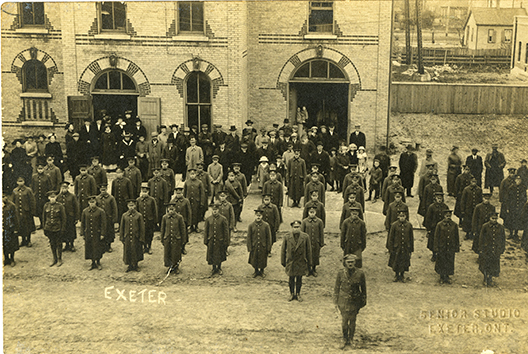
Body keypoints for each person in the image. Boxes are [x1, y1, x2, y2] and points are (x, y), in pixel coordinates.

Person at [333, 254, 367, 348]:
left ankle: (351, 339)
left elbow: (363, 288)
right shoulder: (340, 273)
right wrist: (335, 301)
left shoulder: (360, 273)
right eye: (348, 262)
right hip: (343, 300)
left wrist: (363, 300)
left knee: (352, 321)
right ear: (345, 263)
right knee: (344, 321)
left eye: (352, 262)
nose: (350, 264)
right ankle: (344, 339)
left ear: (355, 262)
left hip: (355, 300)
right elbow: (336, 288)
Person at [281, 220, 312, 301]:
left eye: (298, 227)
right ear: (292, 228)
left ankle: (298, 293)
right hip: (291, 261)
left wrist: (309, 262)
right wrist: (283, 261)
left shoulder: (305, 237)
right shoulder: (287, 237)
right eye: (294, 227)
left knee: (299, 278)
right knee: (291, 278)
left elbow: (308, 250)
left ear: (300, 227)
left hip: (300, 261)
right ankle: (291, 294)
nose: (296, 229)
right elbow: (283, 250)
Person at [478, 212, 505, 287]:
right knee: (485, 264)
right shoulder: (485, 226)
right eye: (492, 218)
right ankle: (485, 278)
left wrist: (502, 248)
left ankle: (490, 278)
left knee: (494, 264)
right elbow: (481, 238)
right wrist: (480, 248)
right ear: (490, 218)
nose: (494, 220)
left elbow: (503, 239)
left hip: (496, 249)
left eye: (495, 218)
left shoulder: (501, 227)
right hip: (487, 249)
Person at [387, 209, 414, 282]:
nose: (402, 218)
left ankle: (402, 275)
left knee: (404, 260)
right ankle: (396, 275)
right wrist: (390, 248)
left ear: (406, 216)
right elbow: (391, 237)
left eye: (403, 216)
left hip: (406, 247)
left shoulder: (409, 225)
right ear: (398, 216)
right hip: (397, 247)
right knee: (396, 260)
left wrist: (411, 249)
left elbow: (411, 237)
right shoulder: (394, 225)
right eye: (400, 216)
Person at [80, 195, 106, 270]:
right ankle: (92, 262)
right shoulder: (85, 211)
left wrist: (102, 233)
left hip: (97, 233)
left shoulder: (100, 211)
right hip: (88, 233)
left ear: (96, 202)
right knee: (90, 247)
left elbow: (103, 224)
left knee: (97, 247)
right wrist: (82, 232)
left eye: (93, 202)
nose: (92, 204)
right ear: (88, 203)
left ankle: (98, 262)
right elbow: (83, 223)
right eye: (90, 202)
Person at [434, 209, 460, 284]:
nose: (448, 217)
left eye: (449, 216)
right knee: (442, 261)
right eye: (446, 216)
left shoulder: (454, 225)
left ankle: (447, 276)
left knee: (449, 261)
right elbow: (436, 237)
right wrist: (436, 247)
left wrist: (456, 247)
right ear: (444, 216)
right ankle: (442, 276)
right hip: (442, 247)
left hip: (450, 247)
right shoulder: (439, 225)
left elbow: (456, 237)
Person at [160, 202, 187, 274]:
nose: (171, 211)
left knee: (176, 253)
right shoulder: (164, 217)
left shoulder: (179, 217)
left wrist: (183, 240)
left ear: (175, 209)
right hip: (167, 238)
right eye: (170, 209)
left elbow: (183, 229)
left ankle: (176, 267)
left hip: (176, 239)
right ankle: (170, 267)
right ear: (167, 210)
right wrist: (162, 238)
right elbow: (162, 229)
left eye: (172, 209)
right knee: (168, 253)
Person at [42, 191, 67, 267]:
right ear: (48, 198)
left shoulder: (60, 206)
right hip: (49, 227)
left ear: (56, 198)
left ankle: (59, 259)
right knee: (52, 243)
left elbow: (64, 218)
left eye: (54, 197)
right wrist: (44, 228)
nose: (52, 199)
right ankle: (54, 258)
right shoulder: (46, 205)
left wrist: (63, 228)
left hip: (57, 228)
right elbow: (44, 217)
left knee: (59, 243)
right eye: (51, 197)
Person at [119, 199, 145, 272]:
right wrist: (121, 237)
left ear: (135, 206)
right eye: (130, 206)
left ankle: (135, 265)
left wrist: (141, 238)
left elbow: (142, 228)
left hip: (136, 237)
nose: (131, 207)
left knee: (136, 250)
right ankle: (130, 265)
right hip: (127, 236)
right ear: (127, 206)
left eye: (132, 206)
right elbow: (122, 227)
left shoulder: (139, 215)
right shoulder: (124, 215)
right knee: (128, 250)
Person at [204, 203, 229, 276]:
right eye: (213, 210)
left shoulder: (223, 219)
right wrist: (206, 240)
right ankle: (214, 268)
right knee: (212, 254)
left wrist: (226, 241)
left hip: (220, 240)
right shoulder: (208, 219)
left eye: (216, 210)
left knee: (219, 254)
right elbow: (206, 231)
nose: (215, 211)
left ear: (219, 210)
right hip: (211, 240)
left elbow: (226, 231)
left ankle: (219, 268)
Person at [247, 207, 272, 277]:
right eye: (257, 215)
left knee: (262, 259)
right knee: (254, 259)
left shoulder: (266, 225)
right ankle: (255, 271)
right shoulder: (251, 225)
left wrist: (268, 247)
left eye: (260, 215)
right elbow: (249, 237)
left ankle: (262, 271)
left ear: (262, 216)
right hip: (254, 245)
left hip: (263, 246)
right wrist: (249, 247)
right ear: (255, 216)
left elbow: (269, 237)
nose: (258, 217)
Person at [424, 192, 449, 262]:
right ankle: (434, 254)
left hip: (443, 227)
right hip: (434, 227)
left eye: (441, 198)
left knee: (442, 241)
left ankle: (440, 254)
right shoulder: (431, 207)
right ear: (435, 198)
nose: (439, 200)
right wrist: (428, 229)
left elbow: (448, 216)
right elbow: (428, 218)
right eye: (438, 198)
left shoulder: (445, 206)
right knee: (433, 241)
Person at [11, 176, 36, 247]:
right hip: (18, 212)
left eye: (21, 181)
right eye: (19, 181)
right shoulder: (15, 190)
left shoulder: (28, 190)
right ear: (17, 182)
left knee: (28, 226)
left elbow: (32, 201)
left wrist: (33, 211)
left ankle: (28, 240)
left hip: (27, 212)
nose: (20, 183)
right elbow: (12, 202)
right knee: (21, 227)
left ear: (24, 182)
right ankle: (23, 240)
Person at [56, 182, 80, 253]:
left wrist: (76, 218)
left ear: (68, 188)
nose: (64, 189)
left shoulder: (72, 196)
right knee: (64, 231)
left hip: (70, 217)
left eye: (65, 187)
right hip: (62, 218)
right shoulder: (58, 197)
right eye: (63, 187)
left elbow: (76, 207)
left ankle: (72, 245)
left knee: (71, 231)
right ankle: (66, 244)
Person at [301, 206, 325, 276]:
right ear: (308, 213)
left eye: (313, 212)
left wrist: (321, 242)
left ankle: (314, 269)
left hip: (316, 242)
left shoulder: (319, 221)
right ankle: (308, 269)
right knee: (307, 255)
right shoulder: (304, 221)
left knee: (315, 255)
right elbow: (302, 233)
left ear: (315, 212)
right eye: (310, 212)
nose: (312, 214)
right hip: (307, 242)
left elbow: (321, 233)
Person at [95, 184, 118, 253]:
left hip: (108, 218)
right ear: (100, 190)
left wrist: (114, 219)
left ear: (106, 189)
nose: (103, 191)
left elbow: (114, 209)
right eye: (101, 190)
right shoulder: (97, 198)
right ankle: (102, 245)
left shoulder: (111, 198)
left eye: (104, 190)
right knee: (101, 231)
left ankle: (109, 246)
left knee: (109, 232)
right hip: (100, 219)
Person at [137, 183, 158, 254]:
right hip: (141, 221)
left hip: (150, 220)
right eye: (143, 192)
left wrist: (155, 221)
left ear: (148, 192)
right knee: (142, 234)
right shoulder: (138, 200)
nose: (144, 193)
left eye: (145, 192)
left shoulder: (152, 200)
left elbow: (155, 211)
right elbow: (137, 211)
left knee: (149, 234)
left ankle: (149, 247)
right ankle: (144, 247)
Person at [504, 175, 527, 240]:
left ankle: (516, 234)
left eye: (520, 179)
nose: (518, 180)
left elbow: (525, 198)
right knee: (511, 220)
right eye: (517, 179)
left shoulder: (523, 188)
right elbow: (507, 199)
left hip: (520, 207)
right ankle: (511, 233)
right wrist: (508, 207)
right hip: (512, 207)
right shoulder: (511, 188)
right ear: (515, 180)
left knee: (518, 220)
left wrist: (523, 207)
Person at [184, 168, 206, 233]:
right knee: (190, 213)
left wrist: (202, 202)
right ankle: (190, 226)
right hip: (189, 201)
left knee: (196, 213)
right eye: (191, 174)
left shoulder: (199, 182)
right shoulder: (187, 182)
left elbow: (202, 193)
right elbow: (184, 193)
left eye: (193, 174)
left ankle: (196, 226)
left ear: (196, 174)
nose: (192, 175)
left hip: (197, 201)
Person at [32, 163, 52, 228]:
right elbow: (32, 186)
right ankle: (41, 224)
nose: (40, 170)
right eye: (39, 169)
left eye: (41, 169)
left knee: (45, 210)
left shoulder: (47, 176)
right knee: (39, 211)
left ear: (43, 169)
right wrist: (34, 194)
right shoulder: (34, 176)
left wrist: (48, 195)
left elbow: (49, 186)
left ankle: (45, 224)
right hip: (37, 197)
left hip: (44, 196)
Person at [3, 195, 19, 266]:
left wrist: (16, 229)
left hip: (11, 228)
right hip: (3, 229)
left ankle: (12, 259)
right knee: (3, 244)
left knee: (12, 244)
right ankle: (6, 259)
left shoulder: (12, 205)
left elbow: (16, 217)